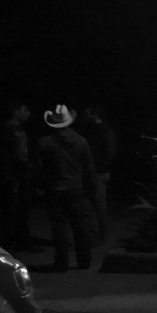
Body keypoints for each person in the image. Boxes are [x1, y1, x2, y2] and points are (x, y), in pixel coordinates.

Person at [34, 104, 97, 272]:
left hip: (54, 189)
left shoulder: (45, 142)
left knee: (59, 227)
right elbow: (88, 168)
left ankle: (61, 262)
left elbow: (38, 168)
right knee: (80, 225)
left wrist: (40, 185)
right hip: (76, 188)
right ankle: (84, 260)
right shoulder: (81, 141)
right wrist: (91, 188)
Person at [0, 98, 35, 251]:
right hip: (12, 176)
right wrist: (10, 177)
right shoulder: (6, 129)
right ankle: (7, 244)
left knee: (23, 208)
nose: (29, 113)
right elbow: (5, 156)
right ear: (15, 111)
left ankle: (22, 240)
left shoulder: (20, 128)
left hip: (22, 174)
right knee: (9, 210)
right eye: (25, 110)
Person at [77, 102, 117, 243]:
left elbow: (109, 153)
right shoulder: (92, 130)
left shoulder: (105, 131)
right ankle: (94, 235)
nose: (84, 116)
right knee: (89, 205)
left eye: (87, 113)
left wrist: (100, 168)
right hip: (93, 171)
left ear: (95, 114)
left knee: (98, 205)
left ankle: (100, 235)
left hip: (98, 172)